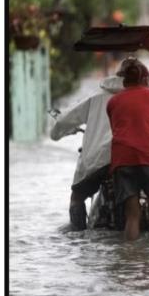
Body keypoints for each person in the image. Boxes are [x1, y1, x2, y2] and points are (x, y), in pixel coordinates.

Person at [106, 57, 149, 241]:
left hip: (123, 157)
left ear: (124, 80)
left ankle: (130, 259)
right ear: (145, 78)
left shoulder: (113, 102)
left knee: (132, 215)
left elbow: (116, 130)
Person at [50, 76, 125, 230]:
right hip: (130, 158)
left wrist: (55, 134)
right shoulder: (140, 96)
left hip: (98, 160)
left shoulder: (96, 98)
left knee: (77, 197)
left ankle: (78, 234)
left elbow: (64, 120)